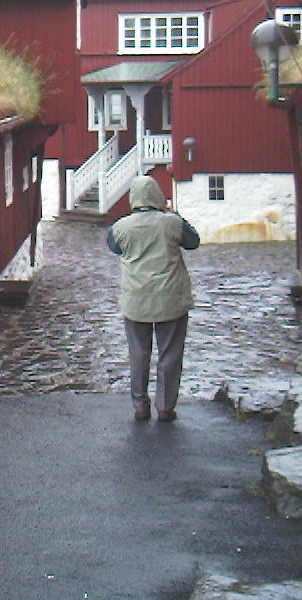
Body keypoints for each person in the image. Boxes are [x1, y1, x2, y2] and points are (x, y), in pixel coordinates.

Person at [106, 175, 199, 423]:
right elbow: (193, 242)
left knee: (138, 354)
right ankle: (166, 407)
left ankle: (140, 406)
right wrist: (173, 213)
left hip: (136, 300)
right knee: (170, 355)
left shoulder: (120, 227)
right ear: (157, 195)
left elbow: (114, 248)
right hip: (171, 300)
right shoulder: (172, 223)